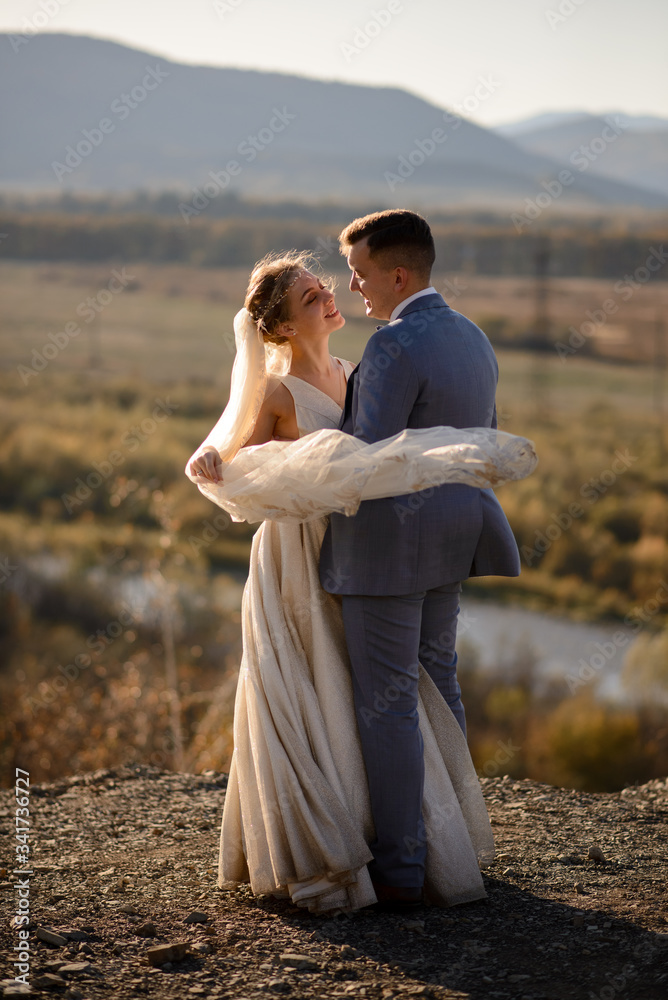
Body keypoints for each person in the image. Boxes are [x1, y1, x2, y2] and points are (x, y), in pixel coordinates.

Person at [186, 247, 531, 914]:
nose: (329, 298)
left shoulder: (354, 368)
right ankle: (319, 837)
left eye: (324, 287)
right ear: (283, 328)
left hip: (360, 545)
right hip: (298, 549)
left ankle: (383, 830)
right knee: (311, 679)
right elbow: (235, 448)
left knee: (360, 689)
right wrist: (210, 458)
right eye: (312, 297)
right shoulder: (279, 390)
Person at [319, 209, 521, 906]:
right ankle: (456, 843)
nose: (352, 287)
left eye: (361, 273)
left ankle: (402, 869)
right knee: (441, 683)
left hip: (389, 550)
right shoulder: (473, 336)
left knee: (388, 704)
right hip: (454, 536)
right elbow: (482, 438)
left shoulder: (394, 345)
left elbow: (361, 458)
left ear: (397, 274)